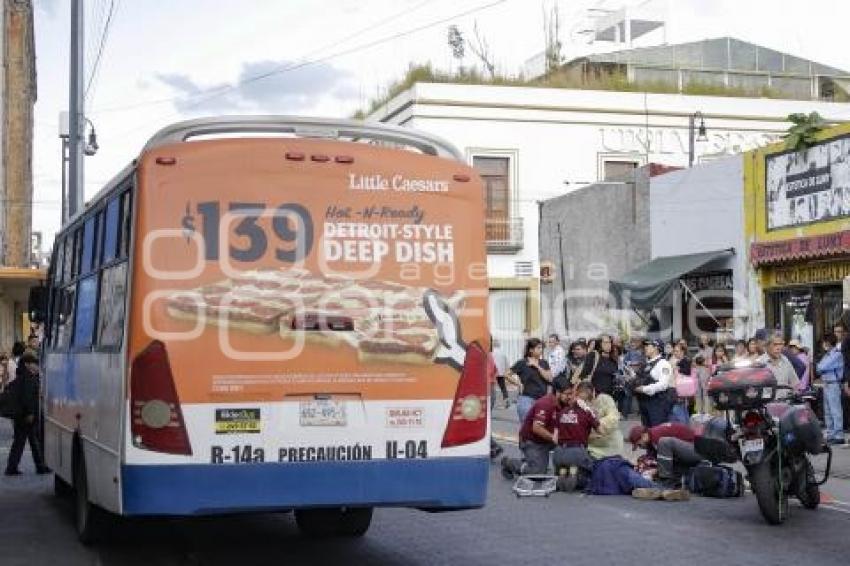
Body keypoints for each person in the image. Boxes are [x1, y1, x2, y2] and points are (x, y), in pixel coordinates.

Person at [501, 374, 571, 479]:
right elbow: (537, 428)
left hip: (547, 440)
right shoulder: (545, 403)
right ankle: (509, 463)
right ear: (557, 392)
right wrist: (554, 438)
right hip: (532, 441)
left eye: (571, 393)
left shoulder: (566, 404)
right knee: (537, 473)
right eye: (567, 394)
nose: (570, 397)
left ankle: (562, 470)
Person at [4, 352, 50, 476]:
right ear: (27, 364)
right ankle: (39, 466)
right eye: (34, 363)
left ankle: (12, 467)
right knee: (32, 441)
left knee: (21, 442)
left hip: (21, 415)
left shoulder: (23, 376)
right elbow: (27, 397)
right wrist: (30, 413)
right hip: (27, 416)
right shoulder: (28, 378)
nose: (36, 366)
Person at [552, 382, 599, 491]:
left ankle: (563, 472)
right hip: (576, 453)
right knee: (591, 468)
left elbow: (555, 439)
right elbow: (600, 431)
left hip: (558, 453)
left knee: (565, 464)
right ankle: (576, 477)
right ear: (589, 394)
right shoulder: (587, 412)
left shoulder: (561, 412)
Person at [628, 422, 698, 488]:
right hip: (690, 449)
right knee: (663, 457)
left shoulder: (656, 436)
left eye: (639, 444)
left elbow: (661, 462)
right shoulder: (652, 437)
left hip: (697, 450)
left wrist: (656, 471)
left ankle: (666, 480)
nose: (641, 447)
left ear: (644, 436)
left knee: (665, 443)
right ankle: (674, 482)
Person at [508, 338, 552, 424]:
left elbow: (549, 378)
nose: (541, 350)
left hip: (541, 399)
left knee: (539, 426)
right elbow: (507, 374)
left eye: (541, 348)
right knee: (526, 426)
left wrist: (537, 366)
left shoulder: (544, 363)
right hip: (526, 399)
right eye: (538, 348)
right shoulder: (522, 362)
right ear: (531, 350)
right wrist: (518, 384)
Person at [632, 339, 674, 427]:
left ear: (656, 348)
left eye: (648, 346)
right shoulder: (646, 363)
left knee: (657, 432)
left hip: (657, 405)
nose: (645, 348)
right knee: (647, 433)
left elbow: (663, 384)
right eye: (645, 346)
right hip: (644, 403)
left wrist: (644, 389)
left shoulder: (663, 364)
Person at [816, 334, 845, 446]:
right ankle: (831, 434)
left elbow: (822, 367)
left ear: (828, 342)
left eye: (824, 342)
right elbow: (819, 368)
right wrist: (821, 367)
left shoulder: (837, 354)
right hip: (826, 384)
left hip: (833, 384)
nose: (823, 344)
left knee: (835, 411)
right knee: (828, 411)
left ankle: (839, 435)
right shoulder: (827, 355)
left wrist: (821, 367)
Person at [759, 334, 800, 399]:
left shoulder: (785, 361)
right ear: (767, 346)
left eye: (780, 344)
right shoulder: (760, 362)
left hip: (784, 404)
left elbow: (795, 383)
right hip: (766, 405)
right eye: (775, 344)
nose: (778, 348)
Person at [588, 388, 624, 460]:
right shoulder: (578, 401)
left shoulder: (605, 399)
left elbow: (613, 417)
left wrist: (595, 424)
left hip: (610, 444)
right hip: (590, 446)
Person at [491, 338, 510, 408]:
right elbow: (507, 364)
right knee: (503, 387)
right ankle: (506, 399)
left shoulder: (491, 352)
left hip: (492, 373)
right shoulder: (503, 353)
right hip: (501, 372)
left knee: (492, 388)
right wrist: (506, 371)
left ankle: (492, 402)